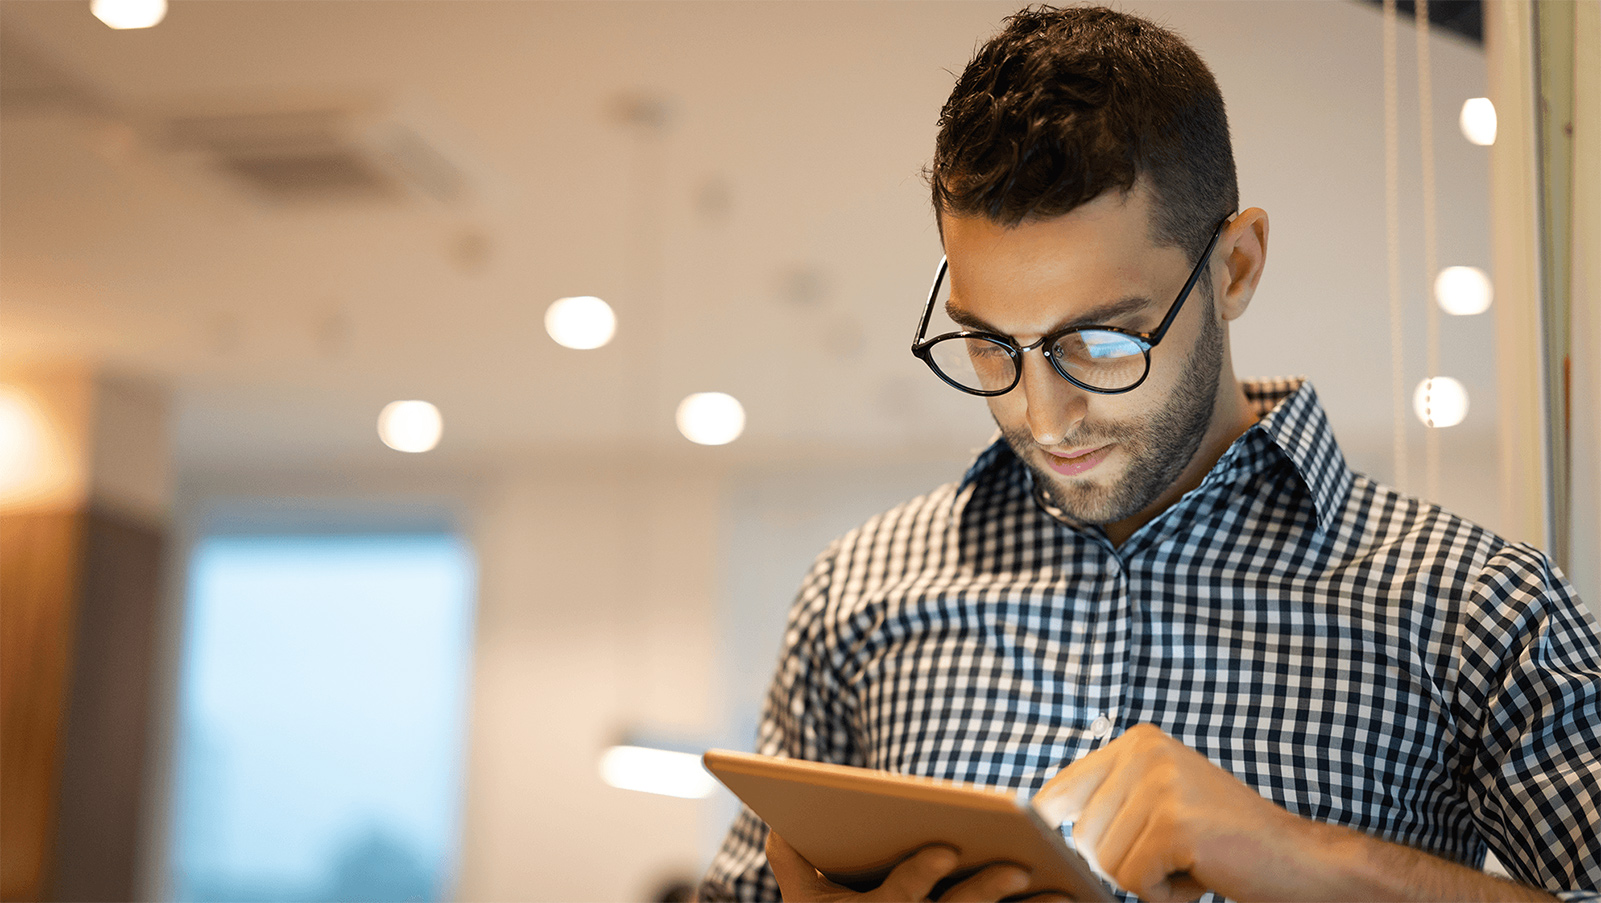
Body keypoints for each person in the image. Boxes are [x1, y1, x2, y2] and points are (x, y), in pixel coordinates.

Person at [698, 6, 1601, 902]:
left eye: (1102, 340)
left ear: (1235, 267)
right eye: (989, 345)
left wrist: (1301, 858)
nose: (1041, 416)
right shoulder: (855, 591)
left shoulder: (1474, 607)